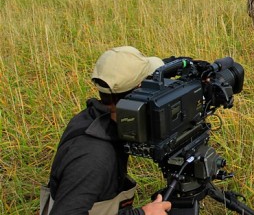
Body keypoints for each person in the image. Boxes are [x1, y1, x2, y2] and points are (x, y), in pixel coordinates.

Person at [42, 46, 172, 215]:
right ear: (140, 89)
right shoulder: (93, 157)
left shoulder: (98, 115)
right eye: (152, 83)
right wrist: (142, 214)